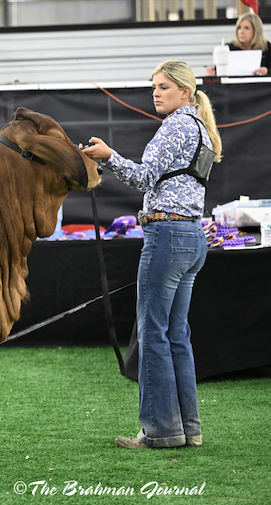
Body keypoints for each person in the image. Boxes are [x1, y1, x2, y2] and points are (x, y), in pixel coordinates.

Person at [82, 60, 222, 449]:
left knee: (153, 332)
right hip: (193, 237)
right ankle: (187, 429)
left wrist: (108, 156)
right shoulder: (202, 130)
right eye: (154, 87)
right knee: (176, 334)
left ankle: (160, 430)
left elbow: (143, 177)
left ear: (185, 93)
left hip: (167, 234)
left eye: (163, 87)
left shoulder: (175, 125)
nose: (155, 93)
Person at [205, 13, 270, 76]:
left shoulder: (267, 47)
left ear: (256, 31)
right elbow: (219, 73)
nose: (241, 31)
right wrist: (212, 74)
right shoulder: (229, 48)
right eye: (239, 28)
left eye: (246, 28)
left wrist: (267, 71)